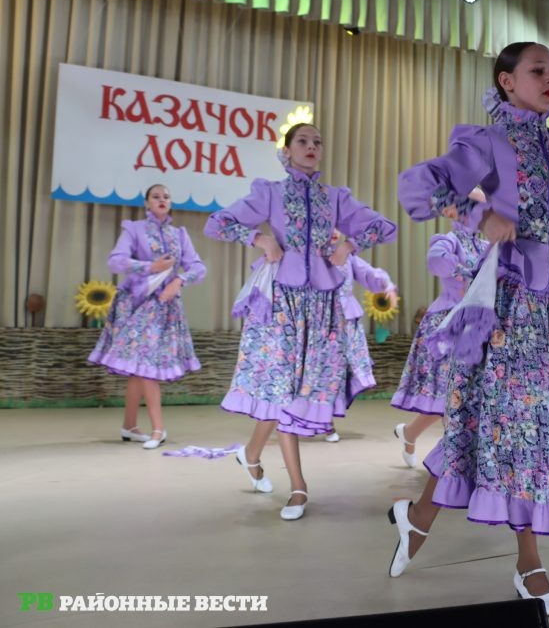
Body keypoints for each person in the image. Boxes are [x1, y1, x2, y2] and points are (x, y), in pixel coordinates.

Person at [388, 41, 549, 617]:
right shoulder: (488, 141)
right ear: (506, 81)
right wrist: (480, 216)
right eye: (537, 71)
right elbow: (420, 185)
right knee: (517, 432)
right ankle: (530, 563)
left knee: (505, 432)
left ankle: (418, 518)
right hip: (508, 306)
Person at [205, 123, 396, 521]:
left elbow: (382, 227)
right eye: (302, 141)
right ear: (287, 150)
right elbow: (218, 223)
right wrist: (260, 240)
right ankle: (298, 487)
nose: (311, 147)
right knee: (284, 391)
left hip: (322, 307)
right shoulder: (270, 193)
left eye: (317, 142)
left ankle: (251, 454)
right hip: (281, 306)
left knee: (295, 392)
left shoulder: (335, 198)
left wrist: (349, 244)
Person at [88, 184, 206, 450]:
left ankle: (129, 426)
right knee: (145, 363)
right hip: (137, 302)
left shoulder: (180, 234)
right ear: (146, 203)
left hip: (166, 306)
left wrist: (180, 279)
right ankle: (157, 429)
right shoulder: (135, 229)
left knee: (139, 366)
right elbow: (115, 261)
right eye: (156, 196)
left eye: (166, 196)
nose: (162, 200)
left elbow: (198, 267)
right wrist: (149, 266)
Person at [390, 220, 488, 466]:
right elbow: (436, 260)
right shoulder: (448, 240)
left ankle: (410, 433)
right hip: (448, 326)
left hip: (476, 326)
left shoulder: (488, 245)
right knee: (451, 393)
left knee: (458, 396)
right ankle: (455, 466)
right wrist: (464, 272)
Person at [324, 254, 397, 443]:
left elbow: (368, 273)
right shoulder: (314, 253)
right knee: (323, 370)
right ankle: (322, 420)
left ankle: (326, 419)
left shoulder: (348, 257)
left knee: (341, 370)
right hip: (320, 320)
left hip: (346, 322)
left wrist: (385, 285)